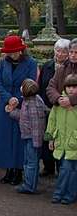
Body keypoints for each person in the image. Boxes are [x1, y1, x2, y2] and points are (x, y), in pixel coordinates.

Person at [0, 35, 38, 186]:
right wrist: (8, 98)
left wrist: (18, 99)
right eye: (9, 52)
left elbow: (31, 83)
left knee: (19, 138)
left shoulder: (31, 63)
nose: (11, 55)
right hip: (5, 104)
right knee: (5, 138)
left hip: (24, 104)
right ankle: (8, 168)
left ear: (21, 50)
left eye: (14, 52)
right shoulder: (3, 63)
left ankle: (18, 170)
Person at [6, 79, 49, 194]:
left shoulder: (33, 103)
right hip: (28, 136)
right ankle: (29, 184)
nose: (20, 87)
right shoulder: (29, 100)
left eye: (22, 86)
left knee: (31, 163)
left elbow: (36, 125)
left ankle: (29, 186)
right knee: (29, 161)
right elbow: (24, 117)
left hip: (32, 139)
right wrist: (12, 112)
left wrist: (36, 143)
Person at [38, 38, 70, 176]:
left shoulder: (70, 69)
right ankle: (48, 166)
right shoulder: (47, 66)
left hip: (63, 108)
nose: (60, 54)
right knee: (47, 137)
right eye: (57, 50)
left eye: (63, 51)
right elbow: (41, 86)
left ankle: (60, 168)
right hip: (46, 107)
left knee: (60, 138)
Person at [46, 74, 77, 205]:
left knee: (68, 170)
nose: (71, 89)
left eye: (74, 87)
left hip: (74, 142)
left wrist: (72, 109)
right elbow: (51, 121)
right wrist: (50, 138)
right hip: (61, 142)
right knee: (68, 170)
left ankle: (63, 194)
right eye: (69, 87)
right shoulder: (58, 103)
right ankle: (65, 195)